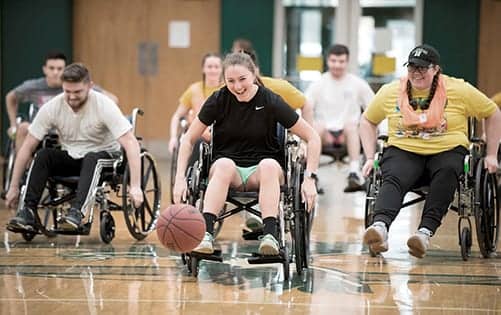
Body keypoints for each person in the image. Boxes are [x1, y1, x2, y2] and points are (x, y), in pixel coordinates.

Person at [360, 44, 501, 258]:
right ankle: (379, 227)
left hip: (447, 148)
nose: (416, 73)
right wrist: (370, 157)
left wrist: (491, 154)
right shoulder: (391, 91)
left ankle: (424, 233)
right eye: (412, 67)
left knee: (447, 171)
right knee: (393, 175)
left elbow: (492, 112)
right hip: (404, 148)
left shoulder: (458, 89)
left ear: (436, 69)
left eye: (422, 68)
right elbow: (367, 120)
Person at [173, 52, 321, 256]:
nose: (237, 86)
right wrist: (179, 178)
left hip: (262, 171)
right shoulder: (218, 99)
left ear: (253, 75)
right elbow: (188, 139)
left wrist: (310, 178)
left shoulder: (270, 99)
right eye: (231, 81)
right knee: (224, 165)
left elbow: (313, 137)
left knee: (269, 165)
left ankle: (270, 236)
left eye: (242, 79)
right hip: (228, 169)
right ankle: (206, 234)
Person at [6, 63, 143, 232]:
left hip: (105, 156)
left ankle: (77, 212)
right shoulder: (53, 107)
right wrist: (13, 187)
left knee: (93, 158)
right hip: (73, 155)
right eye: (67, 92)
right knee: (43, 155)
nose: (71, 97)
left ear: (90, 86)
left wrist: (135, 186)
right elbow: (27, 147)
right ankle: (28, 212)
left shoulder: (104, 105)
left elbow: (131, 142)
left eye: (77, 92)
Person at [5, 51, 119, 154]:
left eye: (59, 69)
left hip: (70, 130)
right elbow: (11, 97)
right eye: (51, 68)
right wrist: (13, 124)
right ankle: (25, 170)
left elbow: (113, 99)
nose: (55, 72)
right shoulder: (33, 87)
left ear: (65, 70)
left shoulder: (77, 86)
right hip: (42, 129)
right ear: (45, 69)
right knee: (23, 128)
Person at [305, 44, 374, 192]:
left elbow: (373, 108)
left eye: (341, 61)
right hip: (324, 135)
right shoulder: (318, 84)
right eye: (333, 61)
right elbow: (305, 107)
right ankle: (312, 174)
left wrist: (380, 133)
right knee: (317, 126)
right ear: (327, 61)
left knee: (351, 125)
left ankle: (354, 172)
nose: (337, 65)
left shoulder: (357, 84)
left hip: (349, 135)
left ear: (347, 62)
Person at [168, 53, 223, 154]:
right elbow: (177, 115)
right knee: (196, 143)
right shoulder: (194, 90)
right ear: (203, 69)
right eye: (209, 67)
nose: (213, 70)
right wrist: (173, 137)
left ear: (221, 69)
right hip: (199, 134)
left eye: (216, 67)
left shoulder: (227, 89)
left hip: (221, 134)